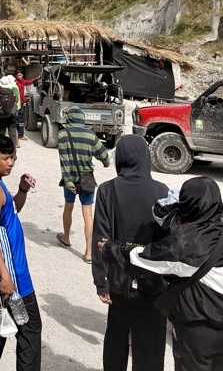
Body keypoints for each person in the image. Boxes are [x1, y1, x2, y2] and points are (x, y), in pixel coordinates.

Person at [102, 177, 223, 371]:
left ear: (188, 205)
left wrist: (111, 248)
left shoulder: (186, 243)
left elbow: (145, 259)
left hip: (196, 326)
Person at [92, 135, 170, 371]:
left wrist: (101, 283)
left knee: (116, 339)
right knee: (151, 345)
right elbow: (166, 240)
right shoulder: (161, 190)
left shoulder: (107, 190)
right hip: (152, 282)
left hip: (119, 281)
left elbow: (99, 238)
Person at [0, 132, 40, 371]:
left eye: (13, 157)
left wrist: (22, 190)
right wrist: (5, 277)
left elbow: (10, 211)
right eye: (5, 158)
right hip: (10, 272)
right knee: (29, 329)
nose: (11, 163)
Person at [56, 107, 110, 262]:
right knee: (88, 215)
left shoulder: (62, 135)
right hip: (87, 179)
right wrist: (106, 162)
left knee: (68, 207)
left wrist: (68, 181)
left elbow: (64, 161)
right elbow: (104, 156)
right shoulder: (91, 136)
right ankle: (88, 252)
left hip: (70, 179)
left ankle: (66, 238)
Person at [0, 75, 20, 151]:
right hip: (12, 116)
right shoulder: (13, 90)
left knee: (1, 135)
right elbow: (16, 101)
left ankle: (2, 152)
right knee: (12, 135)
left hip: (3, 116)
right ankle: (13, 154)